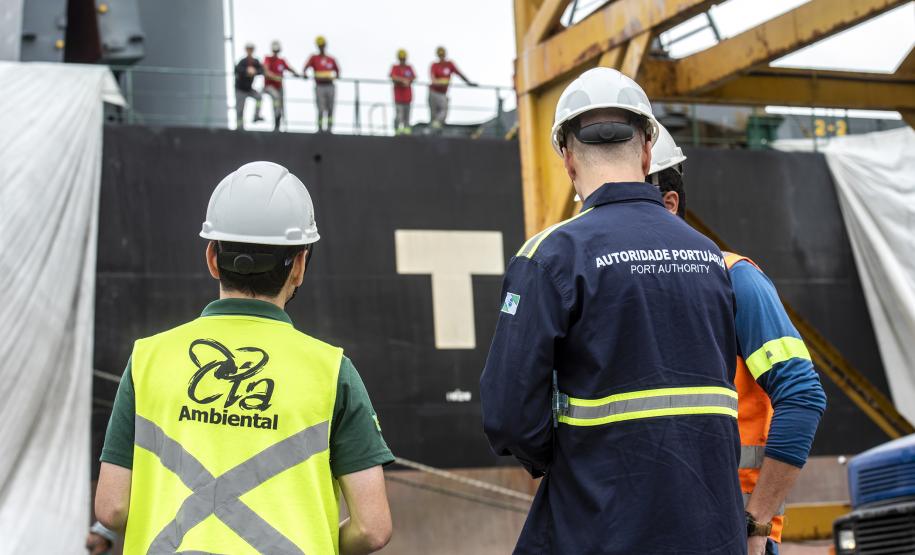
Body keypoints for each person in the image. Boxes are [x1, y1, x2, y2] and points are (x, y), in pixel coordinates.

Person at [480, 67, 746, 554]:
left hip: (603, 526)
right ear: (647, 149)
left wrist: (566, 459)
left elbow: (508, 414)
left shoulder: (551, 256)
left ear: (567, 159)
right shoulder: (709, 256)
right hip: (713, 531)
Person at [94, 162, 394, 554]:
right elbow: (373, 528)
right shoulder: (331, 370)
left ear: (212, 258)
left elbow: (112, 507)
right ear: (299, 266)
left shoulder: (147, 359)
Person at [649, 124, 827, 555]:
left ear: (669, 204)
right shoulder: (613, 293)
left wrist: (757, 523)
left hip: (729, 531)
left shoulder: (734, 279)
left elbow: (801, 394)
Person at [428, 46, 476, 132]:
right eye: (440, 55)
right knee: (433, 114)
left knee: (444, 111)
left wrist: (469, 83)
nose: (442, 57)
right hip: (433, 92)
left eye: (443, 55)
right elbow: (433, 79)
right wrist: (441, 81)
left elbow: (459, 74)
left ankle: (437, 126)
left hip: (443, 93)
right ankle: (432, 131)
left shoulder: (450, 64)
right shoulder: (434, 65)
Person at [304, 36, 340, 133]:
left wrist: (333, 76)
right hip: (319, 86)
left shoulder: (331, 59)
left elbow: (338, 71)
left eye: (322, 45)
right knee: (321, 108)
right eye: (320, 46)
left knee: (330, 108)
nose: (321, 47)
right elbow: (305, 68)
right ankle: (320, 128)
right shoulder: (314, 58)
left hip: (330, 85)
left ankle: (329, 128)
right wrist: (305, 74)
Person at [263, 40, 299, 131]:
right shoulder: (268, 59)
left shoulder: (281, 61)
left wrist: (297, 74)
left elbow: (289, 68)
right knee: (276, 99)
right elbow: (266, 71)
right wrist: (274, 77)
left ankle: (279, 123)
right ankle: (276, 117)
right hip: (269, 86)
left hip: (279, 87)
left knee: (281, 104)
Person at [233, 42, 264, 130]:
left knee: (259, 97)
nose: (250, 51)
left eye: (251, 49)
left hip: (249, 89)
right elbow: (237, 69)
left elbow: (261, 70)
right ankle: (240, 127)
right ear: (246, 50)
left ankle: (256, 115)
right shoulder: (243, 61)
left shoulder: (255, 61)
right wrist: (247, 71)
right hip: (240, 89)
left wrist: (255, 71)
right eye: (248, 49)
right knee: (240, 109)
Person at [389, 49, 416, 135]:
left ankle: (406, 129)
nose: (402, 60)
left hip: (407, 97)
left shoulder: (409, 68)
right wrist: (403, 81)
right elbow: (393, 77)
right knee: (399, 114)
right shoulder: (395, 67)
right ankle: (397, 129)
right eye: (401, 58)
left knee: (407, 114)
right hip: (398, 97)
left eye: (403, 58)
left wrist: (407, 81)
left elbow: (413, 77)